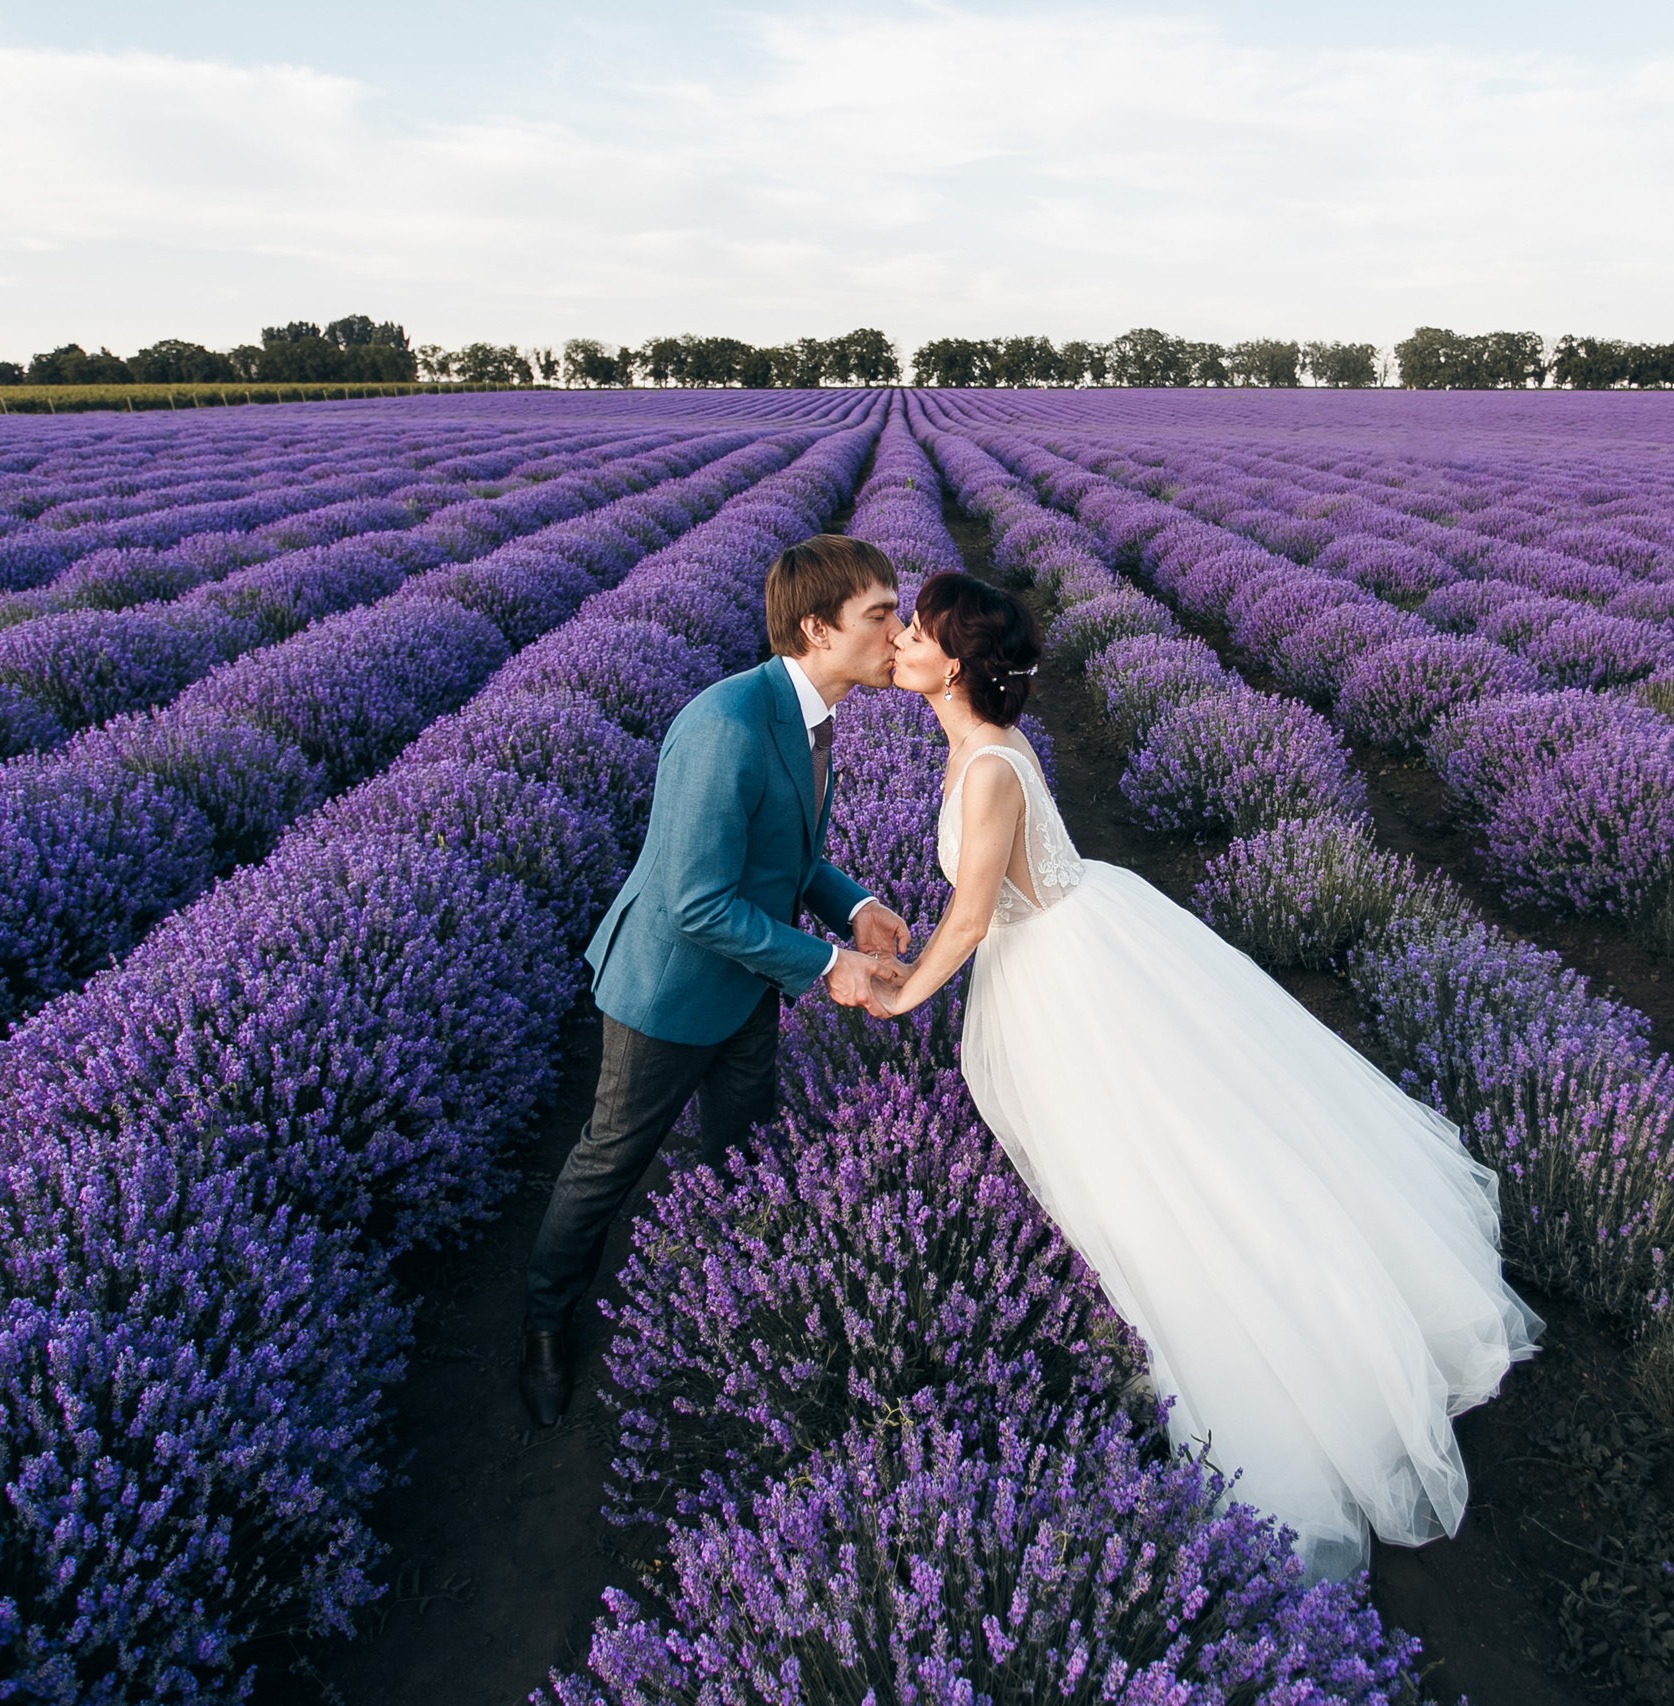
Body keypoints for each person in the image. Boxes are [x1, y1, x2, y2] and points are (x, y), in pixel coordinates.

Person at [868, 571, 1543, 1579]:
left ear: (956, 663)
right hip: (1062, 950)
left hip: (1068, 975)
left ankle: (1282, 1363)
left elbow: (970, 917)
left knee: (1156, 1168)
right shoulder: (976, 747)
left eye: (916, 631)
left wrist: (901, 997)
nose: (900, 642)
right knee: (1147, 1156)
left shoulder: (990, 765)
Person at [519, 535, 913, 1428]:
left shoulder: (809, 714)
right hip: (671, 991)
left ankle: (735, 1303)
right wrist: (830, 964)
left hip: (748, 982)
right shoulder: (725, 726)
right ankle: (544, 1321)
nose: (900, 632)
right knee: (609, 1161)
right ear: (818, 629)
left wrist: (854, 907)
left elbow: (784, 854)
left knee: (745, 1148)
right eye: (881, 614)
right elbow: (697, 902)